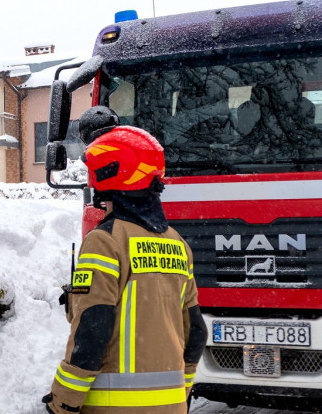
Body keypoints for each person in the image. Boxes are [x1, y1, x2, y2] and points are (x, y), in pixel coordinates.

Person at [44, 112, 207, 414]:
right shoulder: (177, 244)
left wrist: (63, 401)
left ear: (108, 176)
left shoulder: (105, 241)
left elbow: (92, 332)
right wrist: (177, 392)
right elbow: (196, 332)